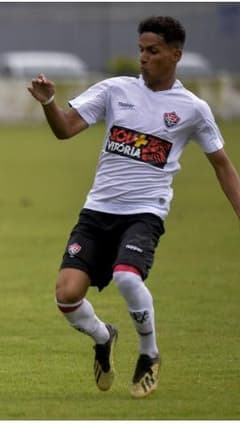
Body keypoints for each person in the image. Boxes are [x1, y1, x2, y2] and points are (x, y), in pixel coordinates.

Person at [27, 16, 240, 398]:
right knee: (66, 295)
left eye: (152, 51)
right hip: (98, 211)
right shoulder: (115, 90)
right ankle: (103, 336)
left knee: (127, 276)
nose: (143, 58)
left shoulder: (192, 109)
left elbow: (222, 165)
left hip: (145, 212)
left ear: (175, 55)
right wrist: (48, 104)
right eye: (141, 50)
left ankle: (148, 353)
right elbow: (65, 129)